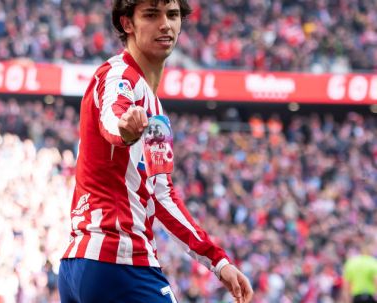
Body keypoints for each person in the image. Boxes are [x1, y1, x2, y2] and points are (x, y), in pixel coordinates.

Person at [58, 1, 253, 302]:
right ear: (127, 24)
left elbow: (161, 194)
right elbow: (113, 115)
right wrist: (125, 128)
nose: (165, 24)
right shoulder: (117, 75)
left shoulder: (156, 112)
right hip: (119, 263)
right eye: (151, 15)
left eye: (172, 15)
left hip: (84, 266)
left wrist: (218, 261)